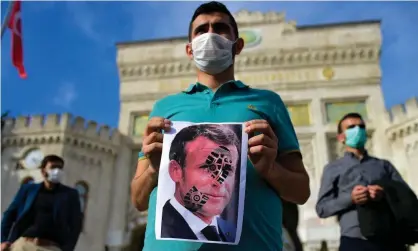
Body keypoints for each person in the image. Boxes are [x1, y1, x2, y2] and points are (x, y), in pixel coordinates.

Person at [130, 1, 310, 251]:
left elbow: (301, 192)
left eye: (220, 28)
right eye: (201, 30)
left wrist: (270, 169)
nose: (210, 34)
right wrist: (152, 168)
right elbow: (138, 200)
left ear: (238, 45)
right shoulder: (165, 108)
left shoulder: (268, 103)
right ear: (190, 49)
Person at [315, 112, 408, 251]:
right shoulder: (333, 169)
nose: (358, 130)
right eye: (351, 127)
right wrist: (350, 198)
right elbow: (322, 209)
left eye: (361, 127)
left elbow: (406, 196)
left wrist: (384, 193)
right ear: (341, 137)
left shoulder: (383, 165)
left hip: (389, 240)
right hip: (354, 240)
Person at [161, 124, 239, 242]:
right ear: (176, 171)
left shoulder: (232, 231)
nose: (220, 181)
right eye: (208, 168)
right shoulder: (162, 228)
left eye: (228, 170)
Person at [1, 155, 82, 251]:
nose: (57, 171)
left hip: (51, 247)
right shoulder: (28, 190)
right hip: (24, 244)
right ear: (43, 171)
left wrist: (68, 248)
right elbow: (9, 214)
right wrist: (3, 240)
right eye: (53, 167)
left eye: (60, 168)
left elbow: (75, 224)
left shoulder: (70, 194)